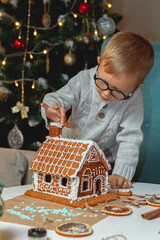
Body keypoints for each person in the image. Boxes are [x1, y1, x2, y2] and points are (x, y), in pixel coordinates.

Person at [41, 32, 154, 189]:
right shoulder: (83, 80)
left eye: (117, 91)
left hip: (105, 164)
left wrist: (121, 175)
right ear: (99, 63)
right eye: (102, 82)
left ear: (136, 87)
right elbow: (56, 99)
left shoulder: (134, 98)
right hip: (69, 155)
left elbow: (131, 136)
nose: (106, 94)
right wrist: (50, 109)